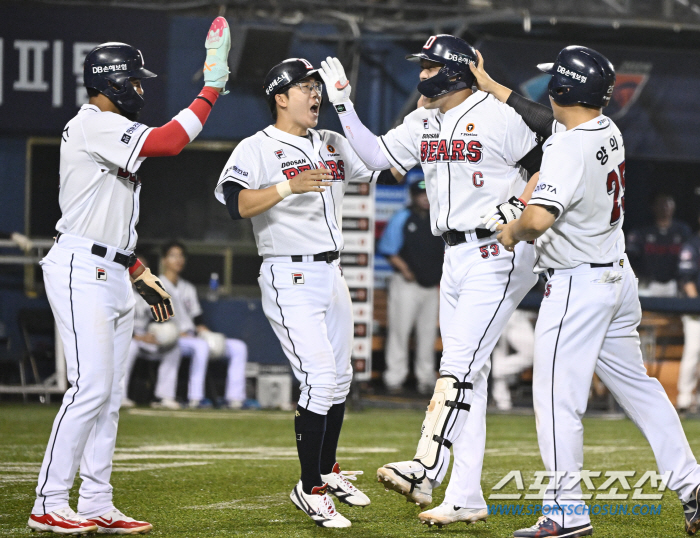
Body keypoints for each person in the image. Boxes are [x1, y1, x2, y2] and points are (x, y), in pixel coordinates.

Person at [317, 35, 544, 527]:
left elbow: (549, 159)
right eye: (421, 67)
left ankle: (426, 467)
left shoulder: (499, 115)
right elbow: (377, 157)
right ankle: (465, 496)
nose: (422, 75)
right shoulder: (423, 120)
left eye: (429, 67)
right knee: (471, 375)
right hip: (454, 254)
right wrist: (343, 106)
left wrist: (524, 206)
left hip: (498, 248)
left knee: (458, 364)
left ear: (456, 70)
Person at [485, 45, 700, 537]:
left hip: (578, 285)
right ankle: (692, 484)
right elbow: (550, 124)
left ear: (563, 90)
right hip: (615, 279)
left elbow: (538, 220)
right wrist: (494, 87)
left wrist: (512, 229)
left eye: (553, 84)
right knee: (641, 391)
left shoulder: (567, 146)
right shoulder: (607, 128)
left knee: (557, 401)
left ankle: (565, 511)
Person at [28, 18, 231, 535]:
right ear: (112, 81)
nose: (141, 88)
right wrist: (211, 86)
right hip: (79, 266)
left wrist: (137, 268)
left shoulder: (108, 127)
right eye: (135, 80)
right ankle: (48, 500)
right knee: (91, 387)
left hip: (111, 267)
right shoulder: (95, 122)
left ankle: (96, 500)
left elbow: (105, 212)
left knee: (110, 394)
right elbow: (168, 142)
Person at [214, 58, 381, 528]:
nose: (315, 94)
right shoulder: (257, 147)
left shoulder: (330, 142)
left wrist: (347, 104)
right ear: (280, 97)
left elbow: (375, 161)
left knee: (341, 377)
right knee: (320, 378)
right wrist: (287, 185)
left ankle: (327, 469)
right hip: (289, 275)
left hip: (332, 274)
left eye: (318, 86)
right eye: (305, 87)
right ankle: (309, 487)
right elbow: (235, 204)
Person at [122, 241, 248, 409]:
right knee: (196, 347)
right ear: (164, 260)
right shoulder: (154, 284)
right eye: (173, 255)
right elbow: (156, 320)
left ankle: (235, 399)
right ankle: (196, 398)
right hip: (167, 336)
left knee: (238, 347)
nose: (178, 259)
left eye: (181, 256)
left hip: (189, 335)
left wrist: (206, 333)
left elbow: (198, 320)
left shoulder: (187, 288)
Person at [378, 169, 443, 395]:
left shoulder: (440, 220)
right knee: (399, 332)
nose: (425, 198)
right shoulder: (403, 217)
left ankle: (425, 379)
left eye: (428, 195)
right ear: (413, 196)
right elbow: (387, 248)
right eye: (420, 195)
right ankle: (394, 379)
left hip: (431, 286)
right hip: (406, 284)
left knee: (427, 334)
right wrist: (405, 269)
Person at [627, 192, 692, 296]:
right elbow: (630, 260)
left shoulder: (683, 231)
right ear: (653, 207)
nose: (665, 207)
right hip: (647, 284)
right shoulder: (641, 231)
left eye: (669, 203)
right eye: (661, 203)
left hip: (675, 284)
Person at [490, 308, 535, 411]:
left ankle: (492, 372)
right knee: (498, 356)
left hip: (517, 312)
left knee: (531, 354)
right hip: (495, 310)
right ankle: (503, 405)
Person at [677, 212, 700, 412]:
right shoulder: (693, 244)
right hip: (696, 311)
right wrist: (696, 304)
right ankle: (684, 398)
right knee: (693, 351)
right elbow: (687, 279)